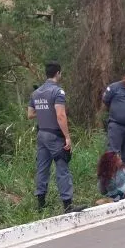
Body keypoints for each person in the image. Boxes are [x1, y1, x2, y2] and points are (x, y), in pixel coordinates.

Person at [29, 62, 84, 213]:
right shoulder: (57, 92)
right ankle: (68, 205)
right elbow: (60, 115)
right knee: (62, 168)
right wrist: (67, 137)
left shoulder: (36, 93)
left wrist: (43, 109)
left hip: (41, 135)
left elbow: (30, 114)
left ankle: (41, 205)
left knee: (42, 168)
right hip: (55, 136)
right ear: (58, 73)